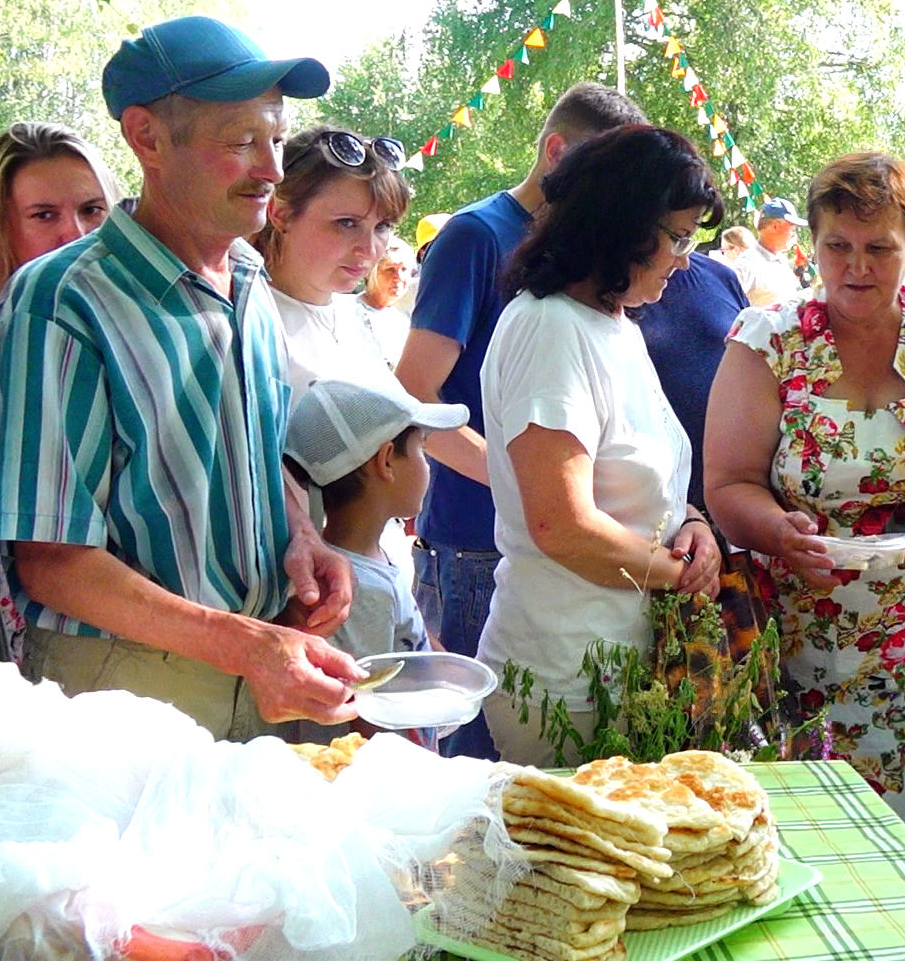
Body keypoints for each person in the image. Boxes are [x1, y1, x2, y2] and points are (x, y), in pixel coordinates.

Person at [0, 15, 362, 739]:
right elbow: (52, 560)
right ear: (147, 138)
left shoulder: (248, 275)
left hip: (256, 666)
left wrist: (302, 541)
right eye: (241, 141)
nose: (273, 170)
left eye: (277, 139)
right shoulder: (63, 298)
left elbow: (251, 453)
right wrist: (249, 645)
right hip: (125, 692)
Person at [705, 152, 905, 865]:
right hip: (802, 647)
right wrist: (778, 531)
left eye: (879, 248)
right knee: (816, 857)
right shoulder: (769, 340)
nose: (856, 267)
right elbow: (727, 482)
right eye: (836, 247)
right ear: (812, 245)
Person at [397, 81, 646, 758]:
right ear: (557, 151)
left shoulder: (596, 260)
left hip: (572, 563)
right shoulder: (476, 236)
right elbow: (413, 396)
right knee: (481, 775)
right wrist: (525, 484)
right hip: (482, 545)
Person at [475, 125, 724, 768]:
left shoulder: (614, 324)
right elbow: (563, 525)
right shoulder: (550, 327)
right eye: (675, 237)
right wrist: (681, 577)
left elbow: (643, 484)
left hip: (617, 671)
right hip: (563, 681)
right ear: (619, 226)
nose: (683, 258)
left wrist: (692, 524)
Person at [284, 379, 464, 687]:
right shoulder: (359, 593)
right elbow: (366, 710)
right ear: (387, 461)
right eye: (421, 447)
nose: (428, 464)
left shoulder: (369, 559)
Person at [0, 124, 120, 372]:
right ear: (0, 225)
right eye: (45, 215)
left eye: (91, 210)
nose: (76, 234)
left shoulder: (143, 319)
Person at [252, 126, 409, 393]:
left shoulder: (351, 314)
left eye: (383, 226)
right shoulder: (249, 324)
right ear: (281, 214)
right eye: (346, 223)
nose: (369, 249)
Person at [635, 227, 748, 510]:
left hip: (727, 500)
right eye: (675, 237)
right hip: (646, 510)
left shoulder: (720, 277)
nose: (681, 258)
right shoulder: (600, 299)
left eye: (685, 238)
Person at [362, 238, 417, 368]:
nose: (399, 277)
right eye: (390, 269)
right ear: (370, 273)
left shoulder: (403, 321)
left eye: (404, 269)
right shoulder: (346, 311)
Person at [749, 196, 804, 303]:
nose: (794, 235)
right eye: (792, 229)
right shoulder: (749, 264)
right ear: (775, 226)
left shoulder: (780, 259)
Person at [715, 225, 774, 307]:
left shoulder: (742, 267)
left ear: (735, 250)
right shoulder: (766, 260)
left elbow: (726, 296)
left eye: (723, 251)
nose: (723, 255)